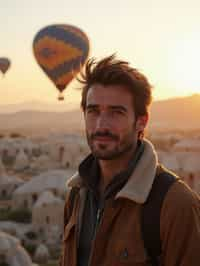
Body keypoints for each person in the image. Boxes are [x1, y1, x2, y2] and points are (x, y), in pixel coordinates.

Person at [60, 55, 200, 266]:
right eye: (93, 111)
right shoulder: (76, 196)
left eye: (116, 112)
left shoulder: (176, 205)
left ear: (141, 122)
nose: (101, 125)